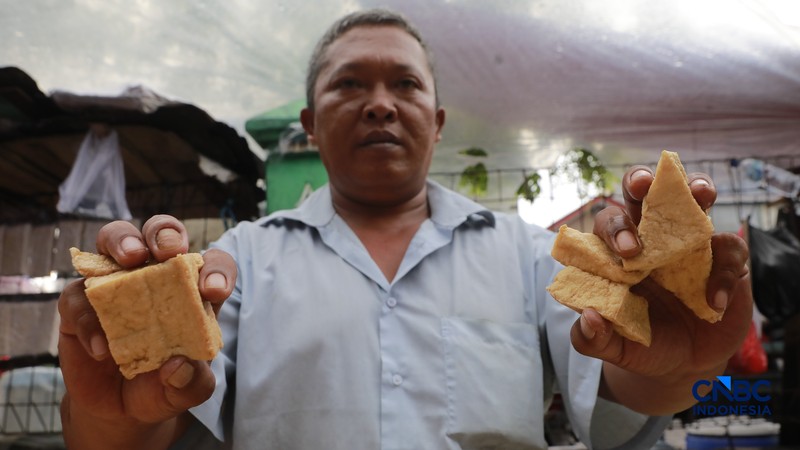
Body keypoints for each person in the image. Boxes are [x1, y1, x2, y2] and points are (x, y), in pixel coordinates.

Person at [57, 9, 752, 450]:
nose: (380, 105)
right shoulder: (237, 263)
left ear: (438, 123)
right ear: (309, 126)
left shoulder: (530, 255)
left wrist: (685, 367)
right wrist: (109, 411)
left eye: (406, 85)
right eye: (349, 84)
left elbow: (624, 390)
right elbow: (149, 422)